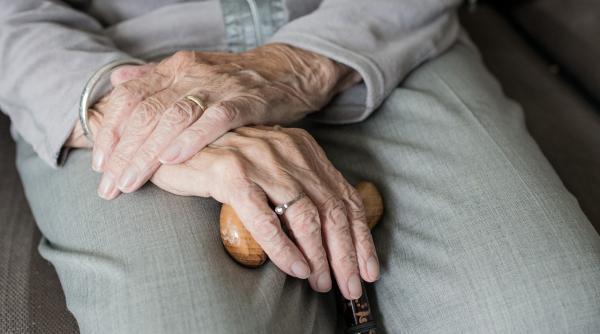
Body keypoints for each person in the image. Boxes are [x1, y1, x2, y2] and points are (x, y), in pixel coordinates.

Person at [1, 0, 599, 333]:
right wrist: (135, 112)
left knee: (557, 313)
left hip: (376, 32)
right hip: (110, 66)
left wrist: (297, 64)